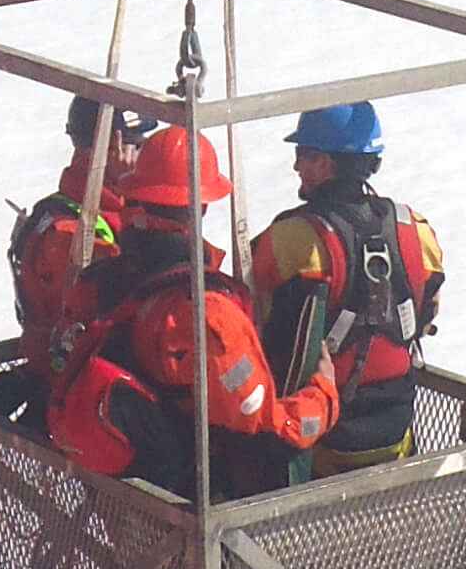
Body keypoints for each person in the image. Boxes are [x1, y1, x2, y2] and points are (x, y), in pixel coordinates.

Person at [50, 124, 339, 499]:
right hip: (191, 503)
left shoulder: (98, 281)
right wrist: (324, 396)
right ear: (203, 204)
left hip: (119, 494)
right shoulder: (208, 315)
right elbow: (265, 432)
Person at [248, 101, 444, 475]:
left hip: (319, 437)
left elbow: (252, 315)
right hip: (396, 432)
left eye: (303, 155)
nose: (295, 166)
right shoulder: (415, 230)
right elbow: (428, 309)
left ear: (326, 163)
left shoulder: (291, 240)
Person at [0, 97, 135, 430]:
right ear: (115, 143)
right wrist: (141, 204)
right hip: (79, 395)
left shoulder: (60, 210)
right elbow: (133, 294)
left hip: (54, 376)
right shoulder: (74, 232)